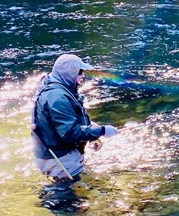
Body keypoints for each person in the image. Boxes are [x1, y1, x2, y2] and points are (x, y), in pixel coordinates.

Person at [32, 53, 118, 182]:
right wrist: (102, 131)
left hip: (58, 152)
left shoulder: (57, 86)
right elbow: (70, 133)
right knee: (67, 195)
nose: (83, 75)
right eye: (79, 72)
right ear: (68, 73)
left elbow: (67, 120)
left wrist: (90, 129)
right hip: (58, 158)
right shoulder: (57, 97)